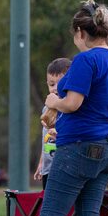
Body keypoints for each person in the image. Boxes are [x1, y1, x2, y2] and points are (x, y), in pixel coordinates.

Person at [29, 0, 108, 216]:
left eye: (74, 35)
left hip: (79, 149)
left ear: (82, 33)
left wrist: (52, 101)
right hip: (107, 148)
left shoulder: (86, 60)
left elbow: (72, 103)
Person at [33, 57, 72, 189]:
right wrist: (41, 163)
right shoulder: (47, 109)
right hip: (48, 168)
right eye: (51, 84)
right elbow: (46, 140)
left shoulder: (69, 108)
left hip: (65, 168)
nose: (55, 89)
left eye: (60, 84)